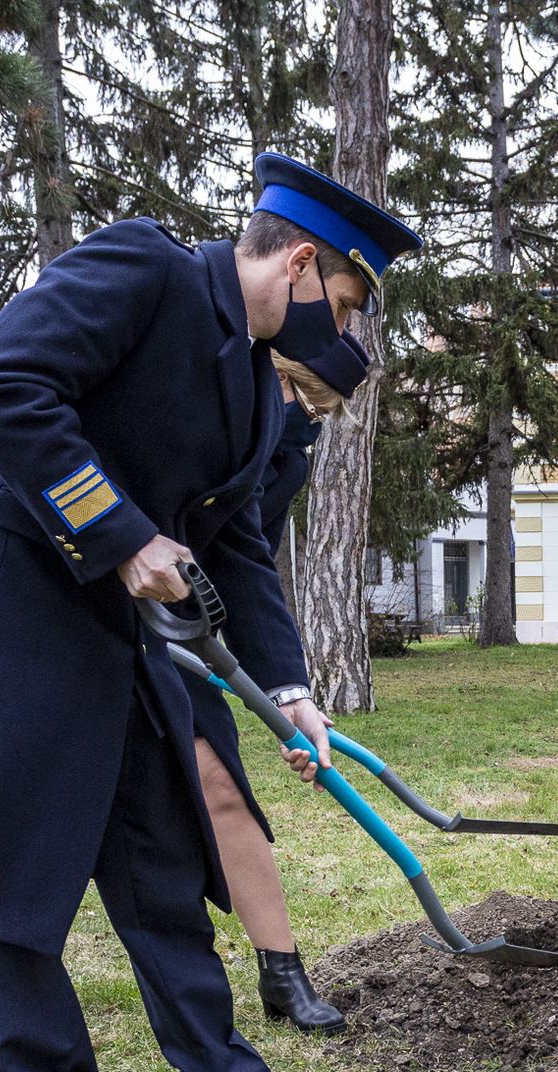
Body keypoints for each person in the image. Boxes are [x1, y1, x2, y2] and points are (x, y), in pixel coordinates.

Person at [0, 153, 421, 1072]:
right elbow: (0, 387)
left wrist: (289, 689)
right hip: (18, 613)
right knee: (12, 878)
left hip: (123, 632)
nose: (339, 330)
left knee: (159, 854)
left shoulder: (250, 371)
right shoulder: (142, 269)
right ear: (295, 265)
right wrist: (123, 535)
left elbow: (234, 537)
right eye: (339, 300)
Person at [183, 355, 354, 1034]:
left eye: (322, 412)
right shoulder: (200, 422)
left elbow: (247, 560)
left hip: (184, 633)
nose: (304, 420)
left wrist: (286, 690)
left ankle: (281, 971)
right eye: (299, 397)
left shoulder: (284, 464)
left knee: (221, 785)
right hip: (99, 625)